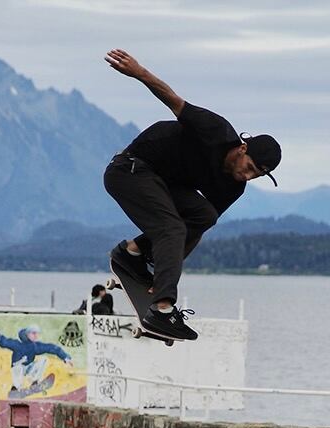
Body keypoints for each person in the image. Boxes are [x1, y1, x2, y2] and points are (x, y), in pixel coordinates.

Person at [103, 48, 281, 341]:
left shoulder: (233, 187)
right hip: (130, 169)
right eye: (248, 167)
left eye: (256, 175)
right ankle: (162, 310)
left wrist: (165, 273)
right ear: (242, 148)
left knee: (203, 215)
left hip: (163, 183)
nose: (247, 176)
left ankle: (132, 253)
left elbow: (195, 229)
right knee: (170, 226)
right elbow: (173, 100)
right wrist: (138, 72)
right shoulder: (216, 130)